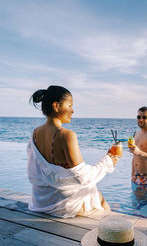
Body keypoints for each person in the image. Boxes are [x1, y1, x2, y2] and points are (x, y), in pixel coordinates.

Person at [27, 85, 118, 218]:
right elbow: (82, 177)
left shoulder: (34, 133)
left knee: (94, 193)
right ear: (56, 106)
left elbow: (34, 172)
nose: (73, 111)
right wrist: (108, 162)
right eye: (70, 106)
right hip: (61, 205)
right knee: (102, 202)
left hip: (41, 201)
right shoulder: (67, 135)